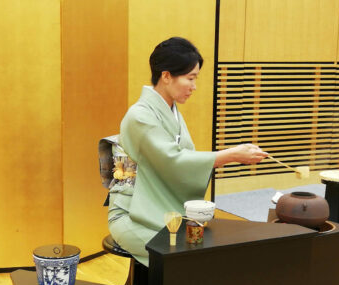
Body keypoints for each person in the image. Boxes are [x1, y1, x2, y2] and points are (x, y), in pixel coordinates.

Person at [108, 37, 267, 266]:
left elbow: (181, 161)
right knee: (187, 257)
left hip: (163, 210)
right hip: (134, 215)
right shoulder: (139, 116)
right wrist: (231, 155)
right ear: (166, 76)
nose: (194, 86)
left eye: (195, 78)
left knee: (205, 248)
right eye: (190, 78)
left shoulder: (170, 110)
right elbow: (174, 161)